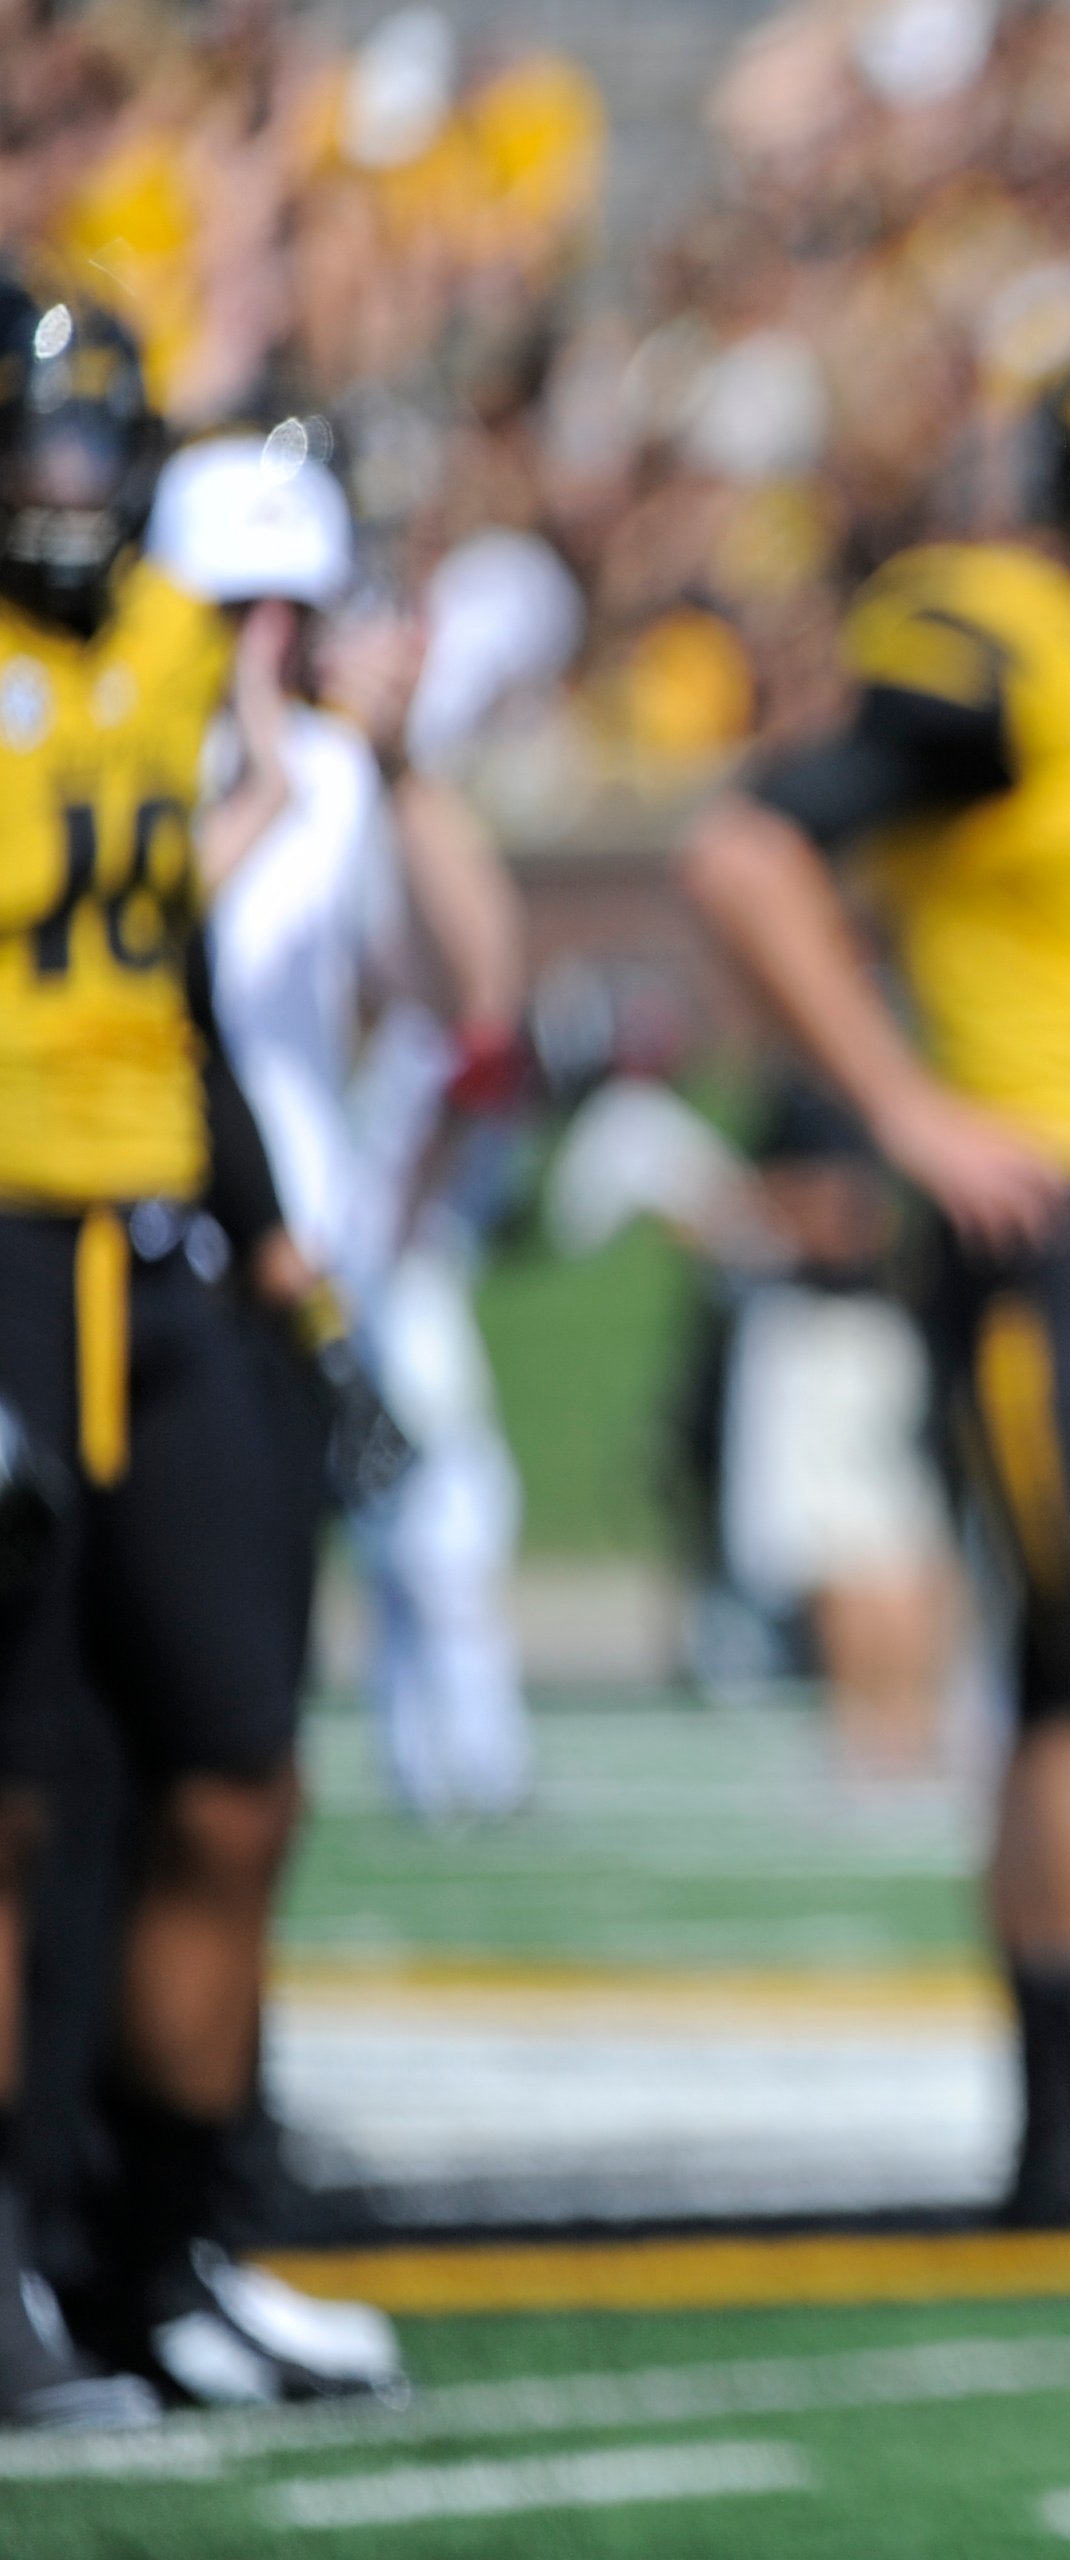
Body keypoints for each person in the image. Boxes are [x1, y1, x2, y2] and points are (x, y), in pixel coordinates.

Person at [681, 338, 1070, 2227]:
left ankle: (1068, 2112)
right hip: (1032, 1214)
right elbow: (749, 852)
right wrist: (913, 1113)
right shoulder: (997, 640)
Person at [0, 293, 404, 2419]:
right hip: (9, 1245)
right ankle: (25, 2259)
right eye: (33, 454)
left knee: (232, 1765)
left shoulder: (160, 660)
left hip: (161, 1251)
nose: (66, 497)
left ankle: (159, 2241)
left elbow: (166, 989)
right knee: (26, 1789)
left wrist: (280, 1263)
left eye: (95, 456)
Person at [159, 431, 538, 1829]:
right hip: (114, 1240)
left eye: (289, 614)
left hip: (301, 1258)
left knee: (252, 1697)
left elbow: (473, 987)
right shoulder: (103, 750)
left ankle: (463, 1764)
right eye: (238, 613)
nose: (266, 643)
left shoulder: (333, 778)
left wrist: (399, 766)